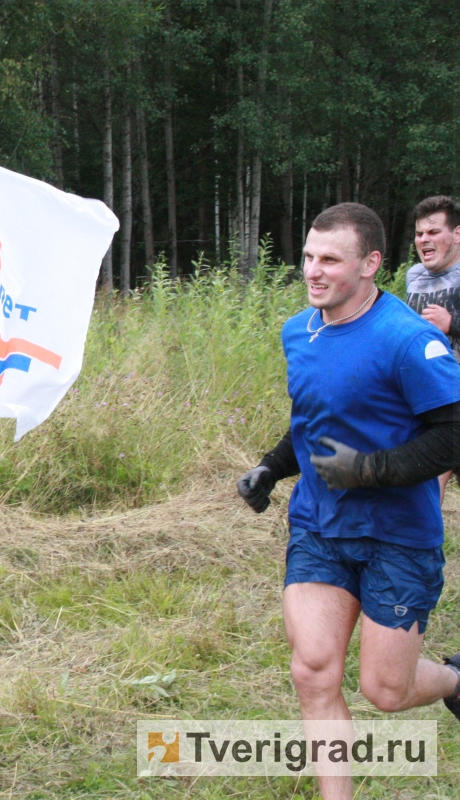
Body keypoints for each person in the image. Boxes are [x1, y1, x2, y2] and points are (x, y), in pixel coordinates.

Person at [236, 203, 460, 800]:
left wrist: (370, 471)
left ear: (370, 265)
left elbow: (453, 432)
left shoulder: (408, 340)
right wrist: (273, 466)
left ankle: (454, 681)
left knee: (386, 691)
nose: (313, 270)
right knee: (313, 671)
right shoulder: (298, 331)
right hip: (319, 527)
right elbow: (313, 418)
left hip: (398, 537)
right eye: (308, 256)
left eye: (330, 259)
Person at [406, 195, 460, 494]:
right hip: (424, 391)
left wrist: (451, 324)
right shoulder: (414, 276)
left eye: (433, 232)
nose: (424, 239)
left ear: (457, 234)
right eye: (419, 233)